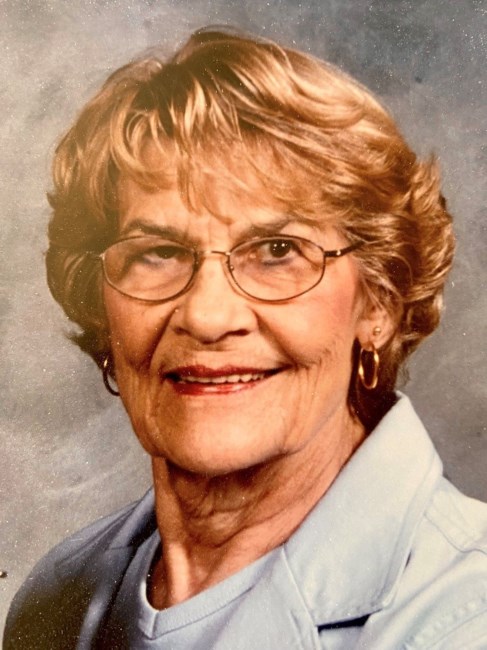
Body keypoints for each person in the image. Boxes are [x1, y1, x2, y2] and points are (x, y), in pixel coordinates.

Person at [5, 27, 487, 649]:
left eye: (278, 251)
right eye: (158, 252)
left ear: (380, 301)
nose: (208, 316)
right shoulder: (59, 599)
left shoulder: (464, 616)